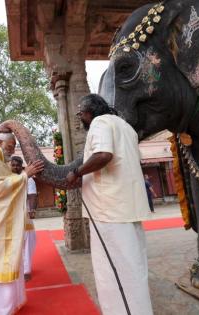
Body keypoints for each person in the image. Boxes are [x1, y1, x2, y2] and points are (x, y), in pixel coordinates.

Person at [66, 94, 153, 315]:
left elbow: (104, 154)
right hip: (127, 207)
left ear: (89, 111)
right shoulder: (126, 127)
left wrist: (77, 172)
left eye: (80, 113)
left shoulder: (100, 122)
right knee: (134, 268)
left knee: (113, 271)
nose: (80, 118)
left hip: (109, 210)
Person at [0, 132, 43, 315]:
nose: (12, 151)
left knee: (10, 256)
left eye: (13, 147)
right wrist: (24, 175)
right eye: (10, 146)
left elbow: (5, 184)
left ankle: (10, 303)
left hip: (1, 220)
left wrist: (23, 176)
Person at [11, 155, 37, 281]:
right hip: (10, 215)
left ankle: (26, 270)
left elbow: (32, 195)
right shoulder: (7, 179)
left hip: (24, 213)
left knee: (27, 241)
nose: (15, 167)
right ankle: (17, 267)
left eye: (17, 165)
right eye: (13, 165)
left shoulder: (28, 178)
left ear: (21, 166)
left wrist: (32, 209)